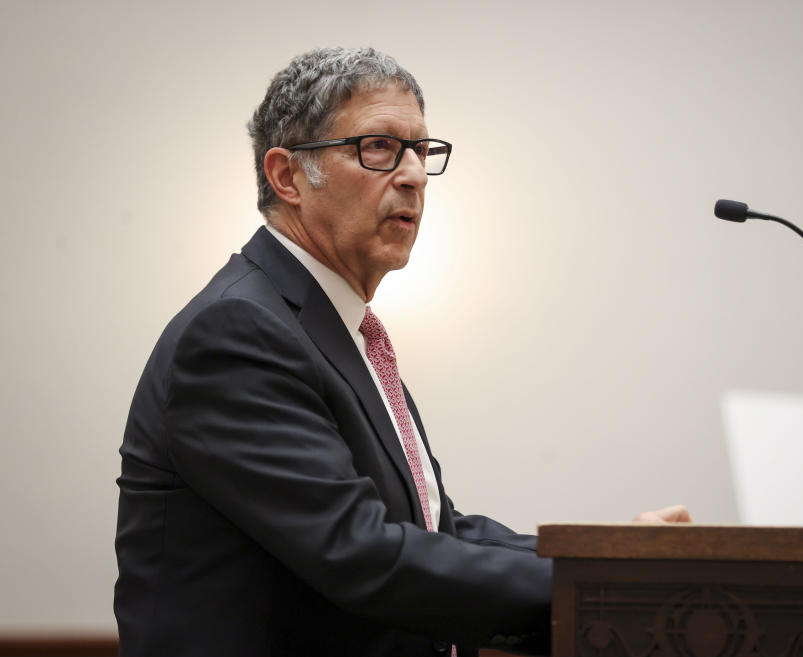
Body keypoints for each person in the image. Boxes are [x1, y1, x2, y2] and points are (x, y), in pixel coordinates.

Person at [114, 47, 688, 657]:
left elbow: (438, 532)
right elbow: (362, 552)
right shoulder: (238, 333)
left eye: (421, 150)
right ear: (287, 177)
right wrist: (601, 585)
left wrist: (604, 555)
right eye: (379, 147)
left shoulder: (335, 328)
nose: (413, 174)